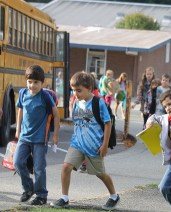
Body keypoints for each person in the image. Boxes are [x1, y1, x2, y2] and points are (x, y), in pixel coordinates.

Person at [50, 72, 120, 210]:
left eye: (79, 90)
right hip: (77, 144)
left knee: (100, 174)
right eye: (74, 90)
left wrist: (104, 145)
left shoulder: (99, 103)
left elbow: (107, 124)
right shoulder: (77, 102)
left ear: (89, 88)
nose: (76, 93)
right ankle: (64, 198)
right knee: (66, 167)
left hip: (94, 146)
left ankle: (114, 196)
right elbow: (77, 122)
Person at [13, 65, 60, 205]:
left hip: (40, 139)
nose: (32, 85)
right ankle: (28, 189)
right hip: (24, 137)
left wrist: (55, 135)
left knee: (39, 168)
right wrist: (18, 129)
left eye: (36, 82)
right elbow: (20, 110)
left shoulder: (45, 96)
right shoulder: (23, 93)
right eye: (29, 82)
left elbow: (56, 115)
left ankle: (41, 195)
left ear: (42, 83)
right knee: (17, 162)